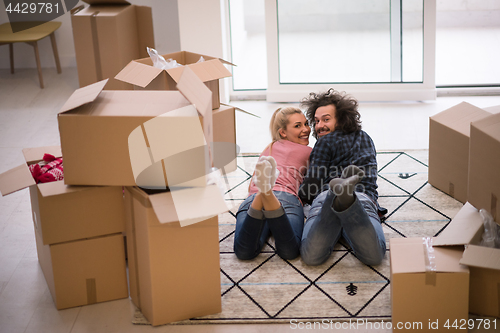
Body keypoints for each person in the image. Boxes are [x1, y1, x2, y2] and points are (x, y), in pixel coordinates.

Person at [298, 88, 386, 266]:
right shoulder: (366, 138)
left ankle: (335, 194)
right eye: (316, 121)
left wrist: (300, 194)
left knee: (311, 256)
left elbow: (312, 186)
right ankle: (346, 197)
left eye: (326, 119)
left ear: (342, 119)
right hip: (363, 198)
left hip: (324, 198)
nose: (319, 125)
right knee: (375, 256)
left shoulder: (324, 142)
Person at [234, 107, 312, 260]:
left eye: (306, 124)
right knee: (289, 252)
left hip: (253, 198)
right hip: (286, 197)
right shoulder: (308, 151)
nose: (306, 129)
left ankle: (264, 192)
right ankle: (267, 193)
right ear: (283, 132)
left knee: (244, 252)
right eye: (298, 126)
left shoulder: (268, 149)